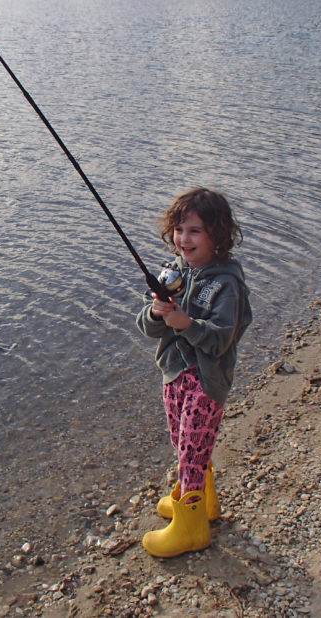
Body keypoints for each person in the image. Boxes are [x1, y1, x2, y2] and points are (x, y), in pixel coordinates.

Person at [136, 187, 252, 558]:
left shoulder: (226, 285)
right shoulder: (175, 274)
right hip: (175, 373)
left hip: (206, 381)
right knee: (184, 442)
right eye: (180, 229)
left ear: (217, 237)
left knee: (192, 450)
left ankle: (191, 529)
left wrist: (186, 323)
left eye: (195, 232)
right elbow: (150, 327)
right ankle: (203, 501)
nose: (183, 239)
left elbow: (220, 340)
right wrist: (157, 312)